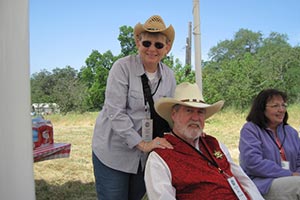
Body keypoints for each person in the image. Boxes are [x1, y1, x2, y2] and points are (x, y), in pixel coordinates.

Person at [92, 15, 176, 200]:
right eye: (147, 43)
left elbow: (171, 114)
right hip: (113, 152)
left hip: (144, 157)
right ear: (138, 43)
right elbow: (115, 112)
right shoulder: (121, 67)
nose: (152, 49)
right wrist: (143, 144)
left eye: (159, 45)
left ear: (167, 48)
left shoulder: (169, 76)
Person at [145, 82, 264, 200]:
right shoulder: (160, 157)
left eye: (200, 112)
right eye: (189, 111)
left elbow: (243, 180)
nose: (195, 118)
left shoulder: (214, 144)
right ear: (174, 114)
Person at [239, 89, 300, 200]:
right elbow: (253, 163)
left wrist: (296, 174)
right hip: (263, 184)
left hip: (292, 181)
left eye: (283, 105)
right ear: (262, 109)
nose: (281, 110)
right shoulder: (250, 130)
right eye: (275, 106)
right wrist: (289, 174)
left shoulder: (291, 132)